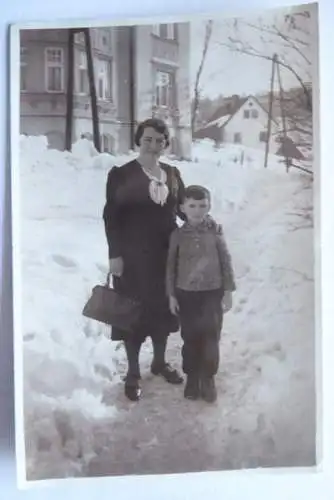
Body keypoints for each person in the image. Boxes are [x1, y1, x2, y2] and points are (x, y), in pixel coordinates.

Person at [103, 118, 186, 402]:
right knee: (133, 315)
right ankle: (133, 372)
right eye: (148, 139)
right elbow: (111, 217)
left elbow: (184, 210)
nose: (154, 145)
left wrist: (204, 225)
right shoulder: (121, 174)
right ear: (139, 140)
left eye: (160, 141)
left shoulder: (173, 174)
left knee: (163, 311)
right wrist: (115, 254)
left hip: (165, 257)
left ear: (166, 145)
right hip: (133, 258)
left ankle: (160, 362)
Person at [166, 185, 236, 403]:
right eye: (192, 206)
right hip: (185, 293)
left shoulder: (215, 231)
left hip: (211, 293)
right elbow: (170, 267)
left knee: (210, 336)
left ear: (209, 206)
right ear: (183, 208)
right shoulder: (177, 235)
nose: (197, 210)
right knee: (190, 336)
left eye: (202, 205)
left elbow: (225, 260)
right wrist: (171, 295)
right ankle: (192, 377)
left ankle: (208, 377)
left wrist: (228, 291)